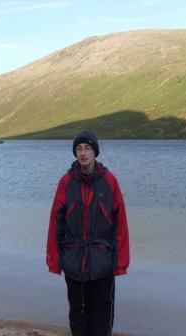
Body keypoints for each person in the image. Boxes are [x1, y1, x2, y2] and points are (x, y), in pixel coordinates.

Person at [46, 129, 130, 336]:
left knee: (102, 315)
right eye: (79, 148)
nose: (83, 153)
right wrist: (55, 261)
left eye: (87, 148)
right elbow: (55, 223)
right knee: (77, 314)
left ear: (95, 152)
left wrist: (120, 263)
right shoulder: (66, 182)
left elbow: (120, 225)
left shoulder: (109, 181)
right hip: (74, 262)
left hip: (103, 262)